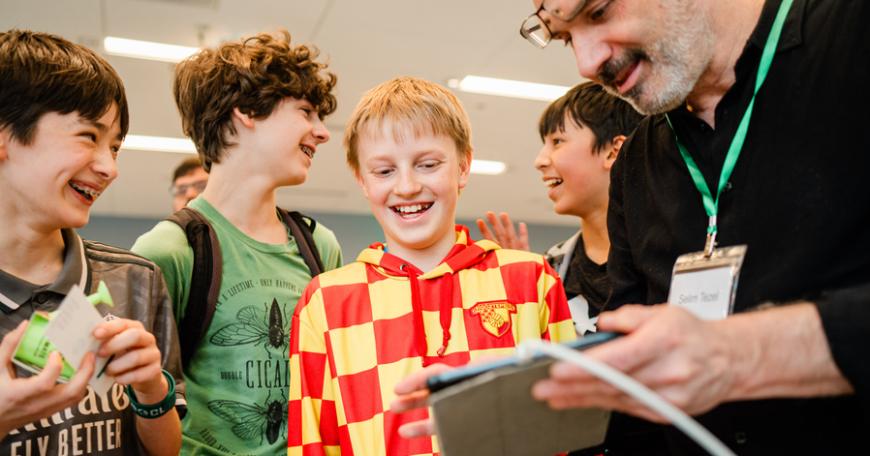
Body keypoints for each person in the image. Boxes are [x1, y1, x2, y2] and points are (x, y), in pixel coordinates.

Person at [396, 0, 870, 453]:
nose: (586, 61)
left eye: (599, 12)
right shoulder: (641, 161)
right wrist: (522, 407)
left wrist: (738, 355)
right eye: (565, 38)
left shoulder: (850, 38)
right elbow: (636, 360)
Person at [286, 76, 577, 455]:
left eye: (427, 164)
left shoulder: (530, 280)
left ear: (463, 167)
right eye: (384, 171)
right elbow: (314, 442)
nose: (406, 186)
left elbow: (572, 425)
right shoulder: (326, 302)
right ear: (361, 179)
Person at [132, 31, 343, 454]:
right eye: (306, 112)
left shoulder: (320, 247)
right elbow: (138, 407)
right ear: (246, 110)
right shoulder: (169, 251)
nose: (322, 133)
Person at [0, 29, 182, 454]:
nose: (109, 167)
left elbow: (166, 449)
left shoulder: (137, 280)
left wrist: (152, 389)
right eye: (88, 136)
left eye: (115, 148)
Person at [477, 81, 643, 335]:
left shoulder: (665, 256)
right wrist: (522, 288)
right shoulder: (550, 269)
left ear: (613, 152)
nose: (540, 161)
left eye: (557, 141)